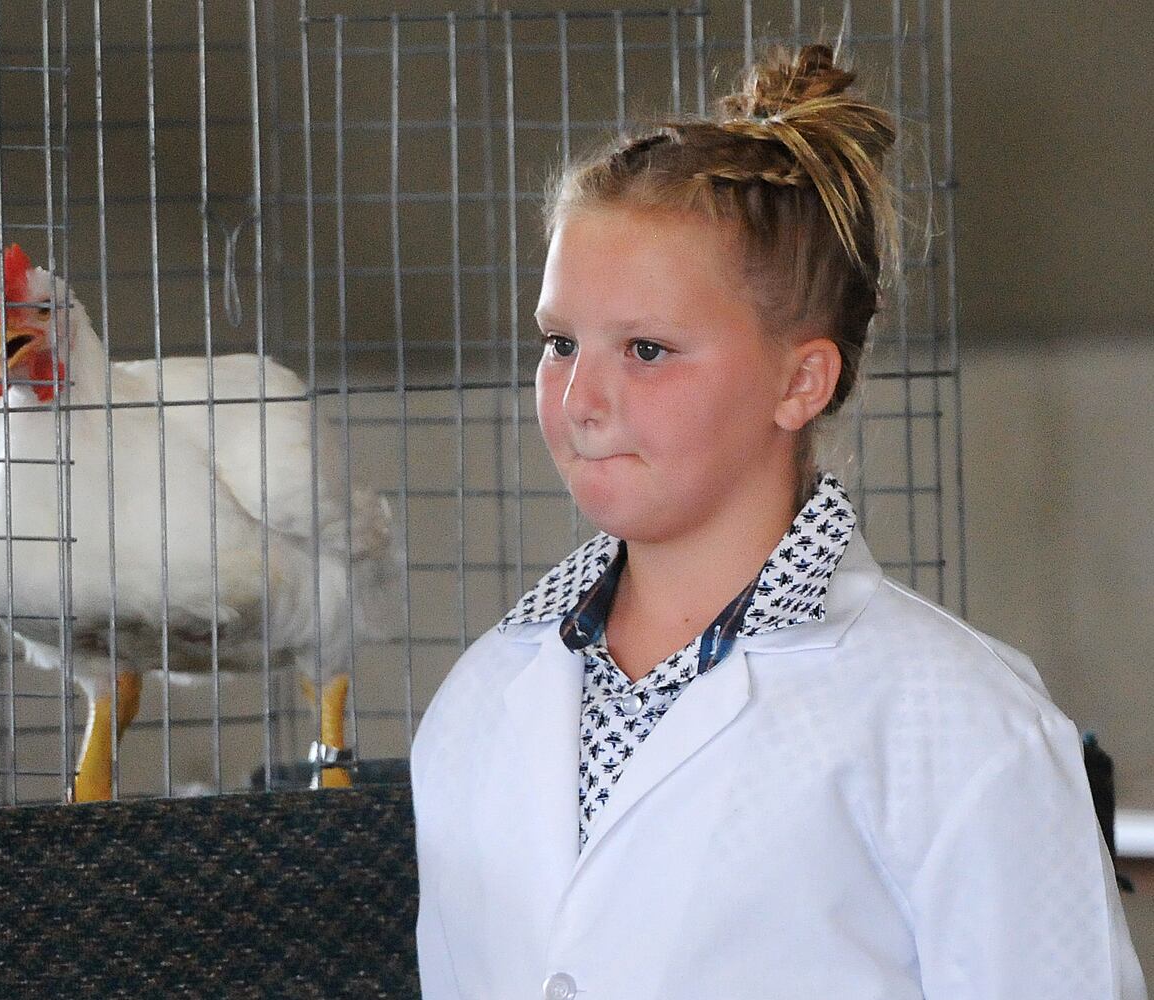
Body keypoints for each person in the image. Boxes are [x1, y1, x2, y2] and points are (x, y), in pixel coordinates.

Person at [410, 40, 1147, 1000]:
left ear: (801, 380)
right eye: (559, 342)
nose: (578, 398)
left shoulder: (961, 724)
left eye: (645, 348)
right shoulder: (479, 702)